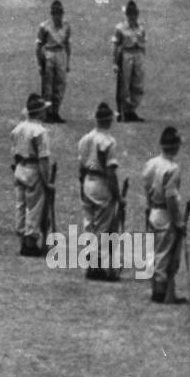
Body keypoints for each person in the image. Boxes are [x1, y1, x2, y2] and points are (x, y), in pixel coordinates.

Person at [142, 126, 186, 303]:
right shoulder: (172, 169)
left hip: (153, 209)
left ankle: (156, 288)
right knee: (165, 253)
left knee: (154, 251)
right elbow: (171, 198)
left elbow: (146, 186)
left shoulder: (151, 164)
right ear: (175, 147)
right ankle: (161, 293)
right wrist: (178, 221)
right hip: (165, 214)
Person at [77, 102, 121, 279]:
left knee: (89, 223)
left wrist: (82, 184)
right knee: (103, 226)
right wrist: (117, 195)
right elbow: (111, 172)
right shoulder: (109, 142)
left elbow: (80, 166)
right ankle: (99, 265)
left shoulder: (85, 138)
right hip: (101, 183)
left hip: (87, 180)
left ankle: (90, 262)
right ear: (110, 120)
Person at [11, 93, 52, 256]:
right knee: (34, 207)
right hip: (33, 169)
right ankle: (30, 242)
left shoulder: (18, 128)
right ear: (40, 112)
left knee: (20, 205)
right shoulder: (40, 131)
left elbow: (14, 152)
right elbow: (43, 159)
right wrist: (47, 181)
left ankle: (22, 236)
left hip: (20, 167)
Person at [36, 0, 71, 122]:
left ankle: (55, 112)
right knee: (48, 86)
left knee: (60, 84)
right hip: (49, 53)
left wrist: (68, 61)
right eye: (55, 14)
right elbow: (39, 45)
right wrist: (40, 64)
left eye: (60, 14)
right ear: (52, 14)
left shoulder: (66, 25)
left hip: (60, 53)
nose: (58, 16)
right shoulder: (44, 26)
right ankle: (47, 113)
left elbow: (67, 44)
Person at [113, 0, 146, 122]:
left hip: (138, 54)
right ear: (126, 14)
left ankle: (132, 110)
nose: (132, 16)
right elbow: (116, 46)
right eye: (130, 14)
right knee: (125, 84)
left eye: (134, 14)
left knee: (138, 83)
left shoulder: (141, 27)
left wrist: (142, 57)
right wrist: (115, 63)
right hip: (126, 54)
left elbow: (143, 42)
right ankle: (123, 111)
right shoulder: (120, 28)